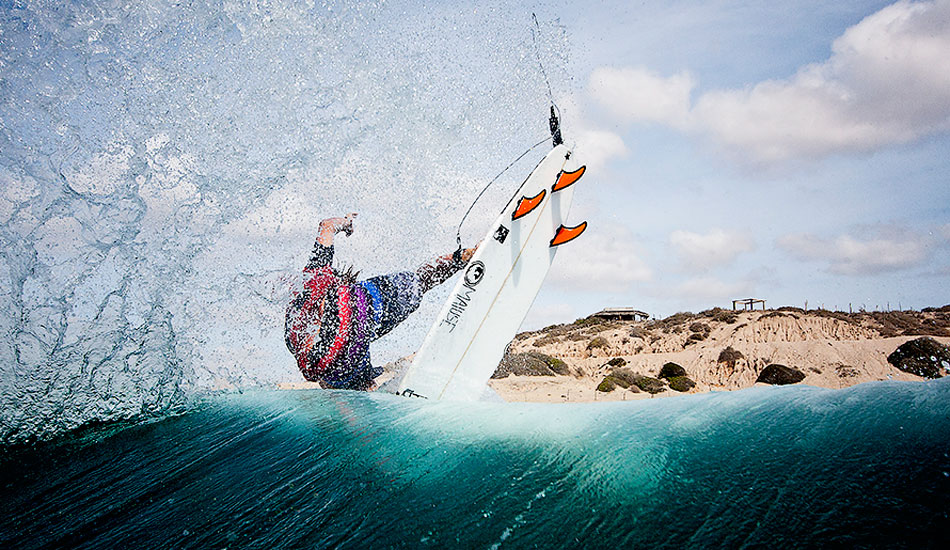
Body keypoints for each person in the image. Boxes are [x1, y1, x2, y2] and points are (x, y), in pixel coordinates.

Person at [285, 213, 475, 391]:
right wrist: (346, 223)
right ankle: (459, 258)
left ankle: (461, 257)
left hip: (369, 303)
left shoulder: (314, 284)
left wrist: (346, 223)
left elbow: (326, 225)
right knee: (419, 281)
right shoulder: (315, 284)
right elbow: (326, 226)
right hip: (364, 313)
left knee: (417, 283)